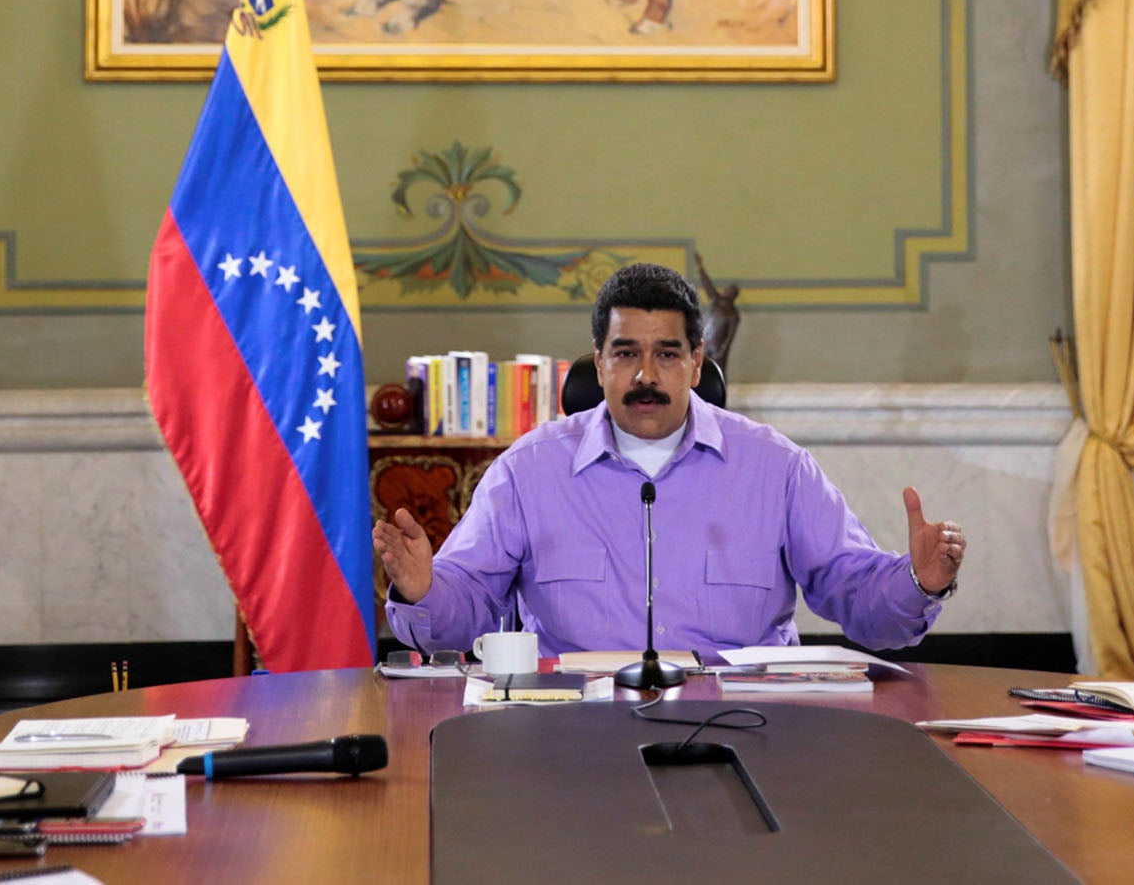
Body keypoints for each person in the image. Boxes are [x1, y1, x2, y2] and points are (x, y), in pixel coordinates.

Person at [375, 262, 964, 656]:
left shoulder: (776, 468)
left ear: (698, 362)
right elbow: (467, 610)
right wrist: (424, 590)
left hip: (746, 729)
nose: (645, 376)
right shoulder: (527, 472)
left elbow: (859, 599)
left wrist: (918, 582)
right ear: (599, 362)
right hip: (571, 737)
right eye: (626, 352)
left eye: (667, 354)